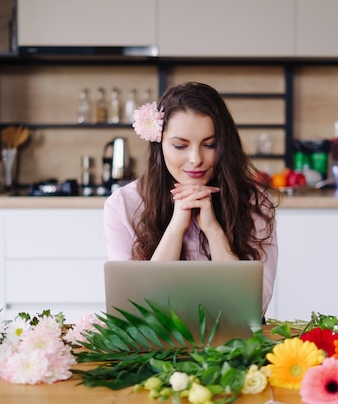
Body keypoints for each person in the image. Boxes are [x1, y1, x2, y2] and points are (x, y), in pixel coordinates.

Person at [103, 82, 278, 315]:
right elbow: (137, 314)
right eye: (180, 145)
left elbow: (253, 310)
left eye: (210, 145)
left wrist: (214, 231)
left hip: (232, 346)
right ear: (160, 145)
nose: (196, 159)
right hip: (152, 348)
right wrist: (177, 227)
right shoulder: (123, 205)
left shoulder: (255, 203)